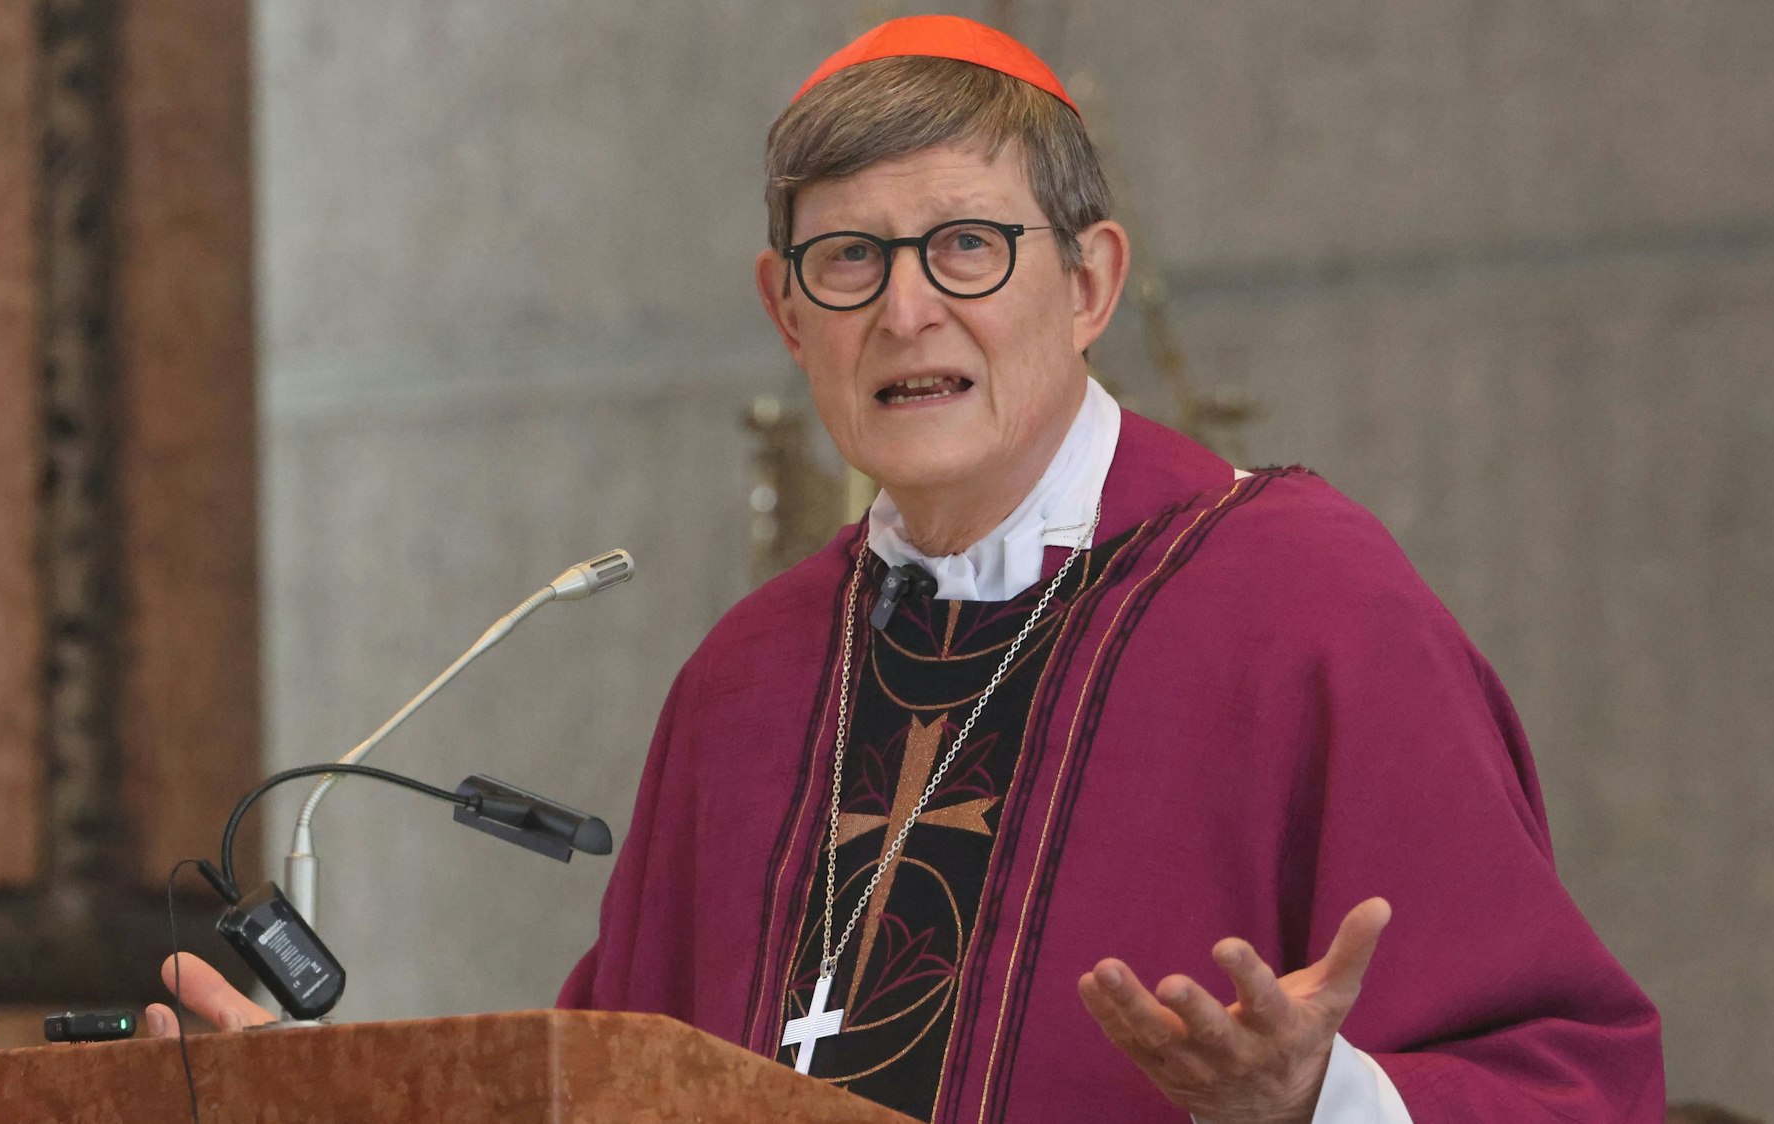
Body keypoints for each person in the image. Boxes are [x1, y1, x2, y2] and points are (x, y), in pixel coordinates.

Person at [150, 16, 1664, 1123]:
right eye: (848, 261)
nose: (905, 313)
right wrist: (333, 1103)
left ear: (1086, 284)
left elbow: (1572, 1082)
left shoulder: (1304, 606)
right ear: (782, 311)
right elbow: (605, 1091)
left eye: (966, 249)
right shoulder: (748, 679)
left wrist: (1315, 1098)